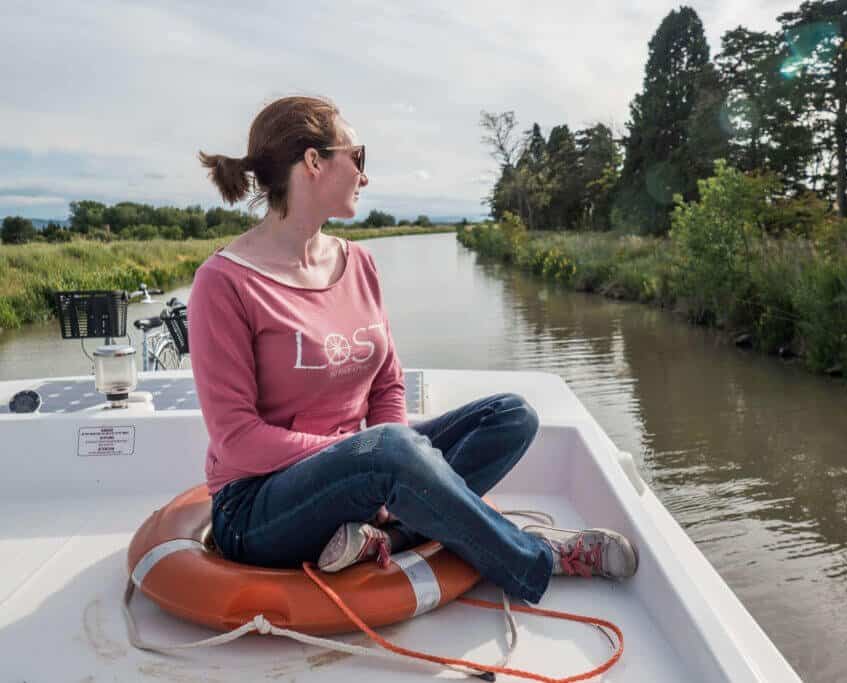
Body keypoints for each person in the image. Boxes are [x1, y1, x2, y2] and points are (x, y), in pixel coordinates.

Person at [189, 95, 637, 605]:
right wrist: (373, 460)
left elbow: (386, 382)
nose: (364, 176)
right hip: (260, 507)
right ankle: (536, 558)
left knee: (512, 416)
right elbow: (238, 442)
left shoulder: (357, 263)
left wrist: (382, 467)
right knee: (389, 450)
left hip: (359, 472)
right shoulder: (223, 283)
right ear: (313, 162)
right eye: (357, 157)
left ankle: (387, 533)